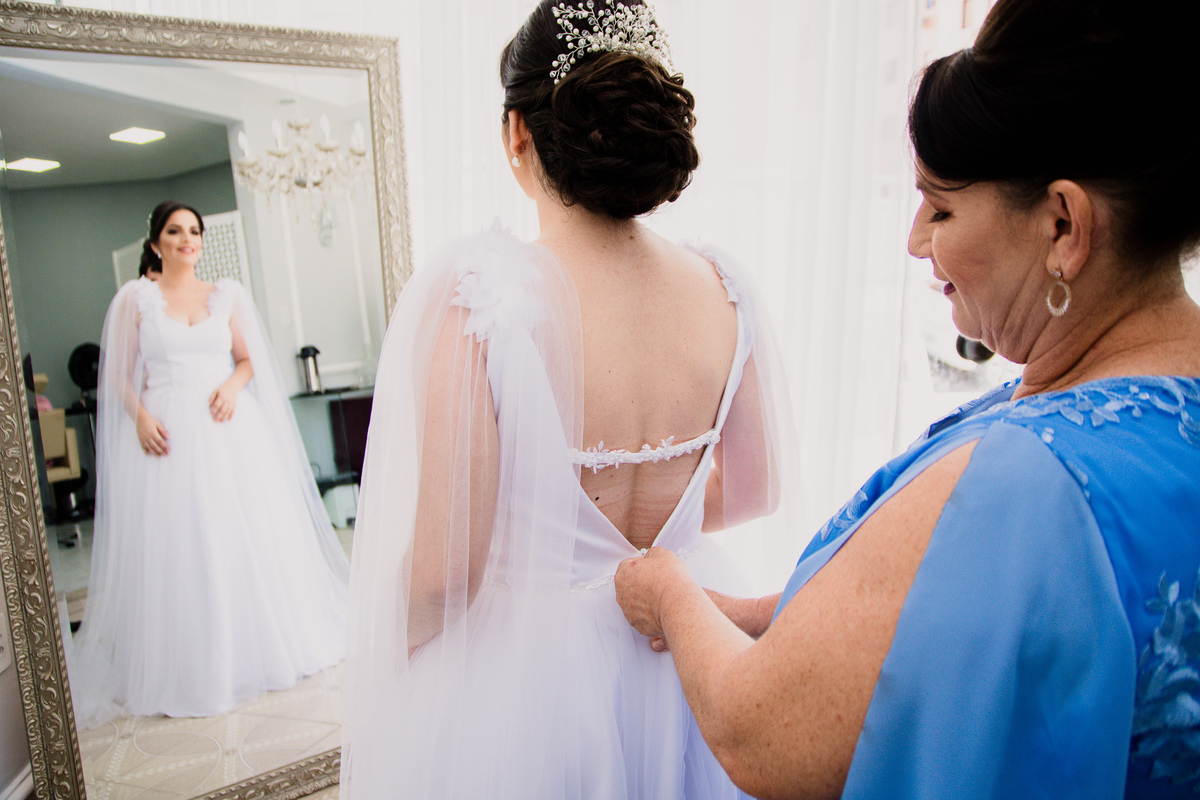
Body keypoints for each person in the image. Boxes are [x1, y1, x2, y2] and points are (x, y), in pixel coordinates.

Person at [615, 0, 1200, 797]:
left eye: (944, 206)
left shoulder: (1031, 484)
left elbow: (761, 731)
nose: (918, 239)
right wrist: (757, 612)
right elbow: (963, 613)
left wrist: (670, 594)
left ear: (1063, 225)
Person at [340, 2, 796, 798]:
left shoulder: (480, 297)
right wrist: (657, 538)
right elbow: (758, 489)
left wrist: (391, 659)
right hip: (687, 644)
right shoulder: (725, 289)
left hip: (526, 682)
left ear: (517, 132)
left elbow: (449, 573)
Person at [69, 200, 350, 726]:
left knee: (241, 535)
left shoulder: (226, 295)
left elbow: (247, 360)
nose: (186, 239)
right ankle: (195, 664)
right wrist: (139, 417)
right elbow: (118, 376)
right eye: (174, 232)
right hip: (167, 434)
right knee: (183, 544)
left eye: (193, 231)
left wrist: (231, 384)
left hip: (229, 428)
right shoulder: (136, 299)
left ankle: (258, 647)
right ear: (155, 244)